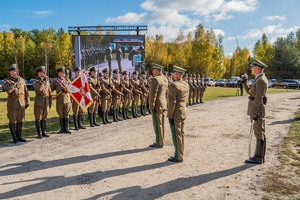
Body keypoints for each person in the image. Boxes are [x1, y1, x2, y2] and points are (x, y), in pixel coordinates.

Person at [242, 59, 268, 164]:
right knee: (258, 131)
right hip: (257, 109)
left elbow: (258, 98)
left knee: (259, 132)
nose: (251, 69)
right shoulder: (258, 79)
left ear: (257, 68)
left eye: (252, 67)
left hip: (258, 110)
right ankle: (259, 157)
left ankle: (258, 157)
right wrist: (244, 83)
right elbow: (250, 92)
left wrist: (254, 111)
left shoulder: (261, 80)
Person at [167, 65, 189, 162]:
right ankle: (180, 153)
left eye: (173, 73)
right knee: (181, 134)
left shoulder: (173, 85)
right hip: (183, 111)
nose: (172, 75)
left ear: (177, 74)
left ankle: (178, 156)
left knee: (176, 135)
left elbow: (172, 102)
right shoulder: (185, 85)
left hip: (176, 112)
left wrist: (169, 115)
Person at [3, 64, 30, 143]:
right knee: (12, 120)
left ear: (17, 71)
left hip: (21, 102)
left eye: (15, 71)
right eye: (12, 71)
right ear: (9, 72)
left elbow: (26, 92)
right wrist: (14, 83)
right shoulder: (7, 81)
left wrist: (27, 101)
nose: (14, 72)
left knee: (20, 119)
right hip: (12, 103)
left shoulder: (22, 80)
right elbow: (9, 90)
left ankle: (19, 135)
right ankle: (14, 137)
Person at [149, 64, 168, 148]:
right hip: (163, 103)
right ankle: (161, 140)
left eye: (153, 70)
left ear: (157, 71)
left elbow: (153, 95)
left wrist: (151, 106)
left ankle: (159, 142)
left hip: (157, 105)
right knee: (162, 124)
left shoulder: (155, 79)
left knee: (157, 124)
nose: (152, 72)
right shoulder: (165, 79)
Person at [51, 67, 72, 134]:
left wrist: (66, 90)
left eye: (62, 73)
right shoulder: (55, 81)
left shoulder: (67, 81)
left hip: (67, 99)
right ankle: (62, 128)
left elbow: (71, 89)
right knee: (61, 114)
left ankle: (67, 128)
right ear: (58, 73)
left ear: (64, 74)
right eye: (59, 73)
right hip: (60, 99)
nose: (61, 74)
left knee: (67, 114)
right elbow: (50, 90)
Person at [33, 66, 52, 138]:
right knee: (38, 117)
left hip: (46, 101)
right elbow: (40, 89)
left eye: (44, 72)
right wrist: (43, 81)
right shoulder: (36, 81)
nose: (43, 74)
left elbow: (49, 91)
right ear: (38, 73)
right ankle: (39, 133)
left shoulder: (46, 81)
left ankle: (44, 131)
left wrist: (50, 100)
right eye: (41, 72)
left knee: (44, 116)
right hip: (39, 101)